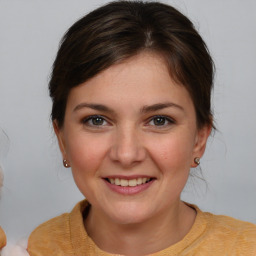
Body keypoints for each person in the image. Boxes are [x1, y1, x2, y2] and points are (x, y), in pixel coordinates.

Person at [27, 1, 256, 255]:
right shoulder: (31, 249)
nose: (126, 155)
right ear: (62, 140)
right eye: (97, 120)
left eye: (159, 120)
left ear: (199, 138)